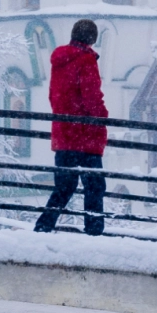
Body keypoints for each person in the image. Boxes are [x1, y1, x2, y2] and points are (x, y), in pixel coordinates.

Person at [35, 18, 108, 235]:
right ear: (92, 38)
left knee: (64, 186)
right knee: (95, 186)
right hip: (85, 136)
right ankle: (94, 232)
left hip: (64, 134)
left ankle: (43, 226)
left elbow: (54, 96)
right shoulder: (86, 60)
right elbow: (91, 97)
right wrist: (102, 117)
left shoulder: (60, 60)